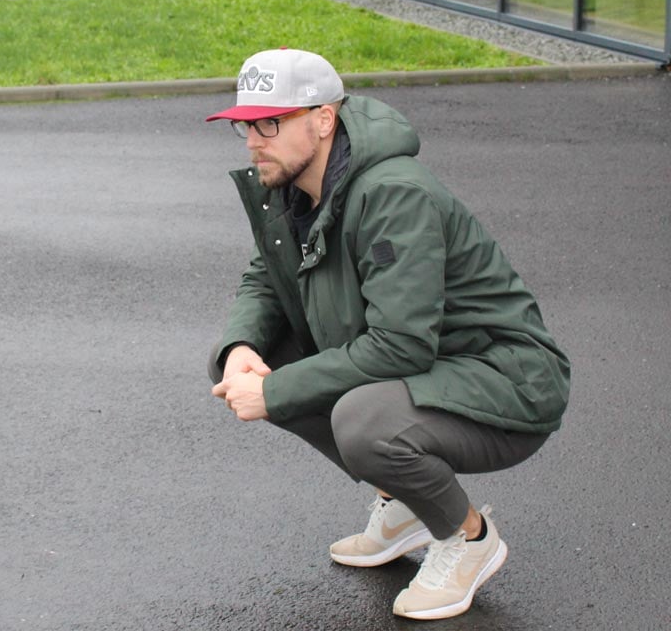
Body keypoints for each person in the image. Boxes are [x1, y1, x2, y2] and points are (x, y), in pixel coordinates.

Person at [205, 48, 570, 621]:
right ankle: (403, 502)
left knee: (363, 421)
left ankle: (468, 538)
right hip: (427, 370)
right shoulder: (292, 181)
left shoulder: (393, 193)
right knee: (256, 361)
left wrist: (275, 393)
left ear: (324, 120)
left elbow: (401, 344)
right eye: (246, 125)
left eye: (269, 123)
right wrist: (240, 349)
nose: (253, 139)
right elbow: (266, 276)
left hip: (504, 377)